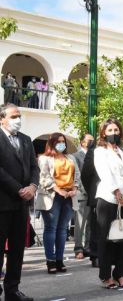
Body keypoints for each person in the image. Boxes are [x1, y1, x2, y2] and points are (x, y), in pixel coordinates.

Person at [0, 103, 39, 301]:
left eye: (19, 116)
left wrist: (32, 186)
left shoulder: (25, 140)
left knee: (17, 250)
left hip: (21, 205)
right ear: (2, 119)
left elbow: (34, 167)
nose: (18, 119)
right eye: (14, 116)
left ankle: (12, 290)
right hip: (3, 202)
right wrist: (18, 189)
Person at [94, 119, 123, 289]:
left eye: (116, 130)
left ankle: (120, 274)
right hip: (108, 199)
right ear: (104, 133)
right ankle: (105, 276)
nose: (114, 133)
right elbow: (105, 174)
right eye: (110, 130)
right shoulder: (100, 151)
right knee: (107, 239)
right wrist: (118, 194)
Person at [35, 133, 80, 273]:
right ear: (52, 143)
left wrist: (75, 188)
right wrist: (58, 190)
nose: (62, 144)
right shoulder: (44, 158)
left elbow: (77, 175)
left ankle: (60, 260)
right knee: (51, 228)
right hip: (52, 196)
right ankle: (51, 260)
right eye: (58, 142)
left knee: (63, 230)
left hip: (69, 195)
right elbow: (44, 177)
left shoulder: (70, 157)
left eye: (63, 141)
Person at [72, 133, 94, 259]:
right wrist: (85, 189)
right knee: (80, 222)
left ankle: (88, 247)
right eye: (88, 140)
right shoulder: (76, 156)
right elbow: (77, 175)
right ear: (82, 142)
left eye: (92, 141)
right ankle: (78, 248)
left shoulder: (95, 155)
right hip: (82, 193)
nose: (91, 143)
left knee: (91, 222)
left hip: (94, 194)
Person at [80, 136, 100, 268]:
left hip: (115, 196)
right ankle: (96, 256)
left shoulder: (118, 152)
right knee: (96, 227)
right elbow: (85, 175)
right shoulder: (93, 152)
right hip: (97, 195)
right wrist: (92, 190)